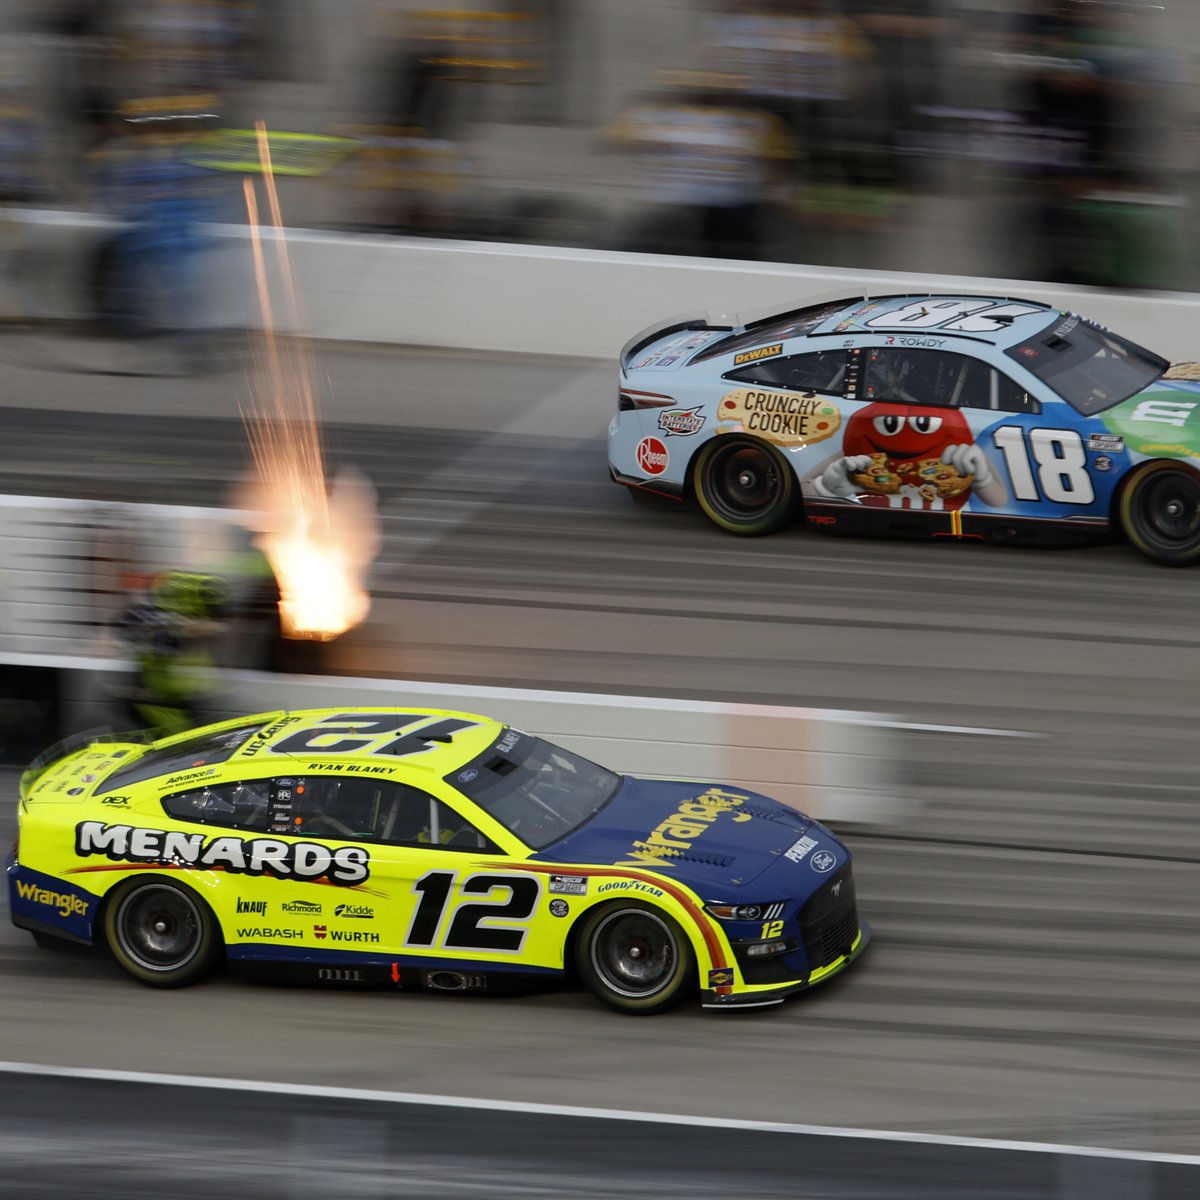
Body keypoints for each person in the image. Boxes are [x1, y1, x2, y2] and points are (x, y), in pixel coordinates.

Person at [116, 569, 228, 735]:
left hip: (188, 694)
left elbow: (216, 629)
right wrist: (182, 627)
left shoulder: (178, 619)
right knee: (180, 741)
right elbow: (160, 644)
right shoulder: (148, 618)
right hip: (156, 699)